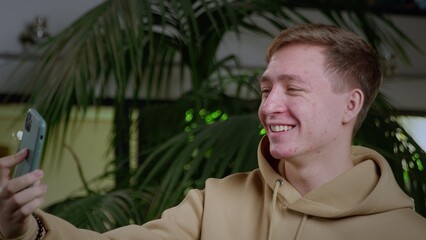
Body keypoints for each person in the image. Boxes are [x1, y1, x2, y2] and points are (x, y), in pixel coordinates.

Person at [1, 23, 425, 240]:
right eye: (265, 88)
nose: (268, 105)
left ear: (350, 105)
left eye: (292, 88)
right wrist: (24, 229)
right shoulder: (214, 203)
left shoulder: (410, 233)